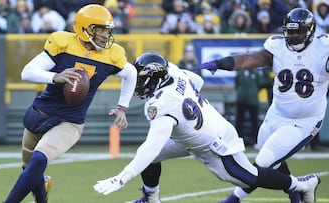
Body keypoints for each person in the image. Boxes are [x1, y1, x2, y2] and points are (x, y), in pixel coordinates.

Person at [93, 52, 320, 203]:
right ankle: (151, 198)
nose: (138, 86)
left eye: (143, 81)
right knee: (149, 158)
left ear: (155, 79)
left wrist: (122, 178)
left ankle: (301, 184)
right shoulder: (172, 71)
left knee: (249, 177)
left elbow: (153, 145)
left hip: (215, 142)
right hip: (190, 136)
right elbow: (197, 82)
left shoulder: (160, 103)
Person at [3, 4, 137, 203]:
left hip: (70, 121)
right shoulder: (63, 42)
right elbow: (27, 72)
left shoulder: (112, 55)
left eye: (106, 30)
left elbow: (131, 73)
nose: (104, 35)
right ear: (84, 28)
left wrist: (122, 107)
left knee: (40, 159)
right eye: (99, 29)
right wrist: (56, 76)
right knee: (29, 168)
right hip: (41, 112)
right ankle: (42, 196)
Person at [193, 7, 327, 203]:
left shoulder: (323, 48)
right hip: (276, 114)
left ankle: (234, 199)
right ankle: (298, 193)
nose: (294, 36)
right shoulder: (277, 46)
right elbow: (249, 59)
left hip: (304, 121)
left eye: (298, 31)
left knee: (263, 163)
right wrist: (221, 63)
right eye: (290, 31)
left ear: (310, 31)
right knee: (273, 161)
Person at [235, 69, 261, 147]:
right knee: (239, 122)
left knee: (254, 121)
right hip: (241, 100)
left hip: (253, 101)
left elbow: (260, 84)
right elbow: (237, 84)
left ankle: (256, 141)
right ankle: (238, 141)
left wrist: (253, 92)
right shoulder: (240, 73)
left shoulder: (255, 73)